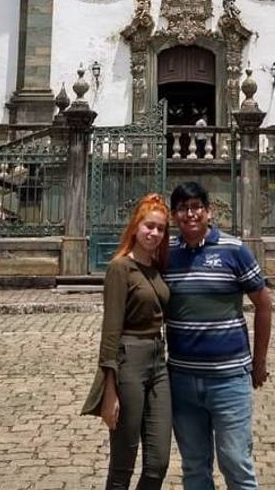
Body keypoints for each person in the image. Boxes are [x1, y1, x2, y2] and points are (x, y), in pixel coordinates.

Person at [165, 181, 273, 490]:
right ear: (175, 216)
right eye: (183, 208)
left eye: (197, 206)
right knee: (194, 468)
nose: (191, 214)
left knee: (236, 462)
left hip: (229, 380)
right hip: (183, 380)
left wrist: (259, 362)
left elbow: (264, 305)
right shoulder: (166, 254)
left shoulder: (234, 250)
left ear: (209, 211)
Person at [82, 194, 172, 490]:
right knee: (123, 463)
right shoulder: (120, 268)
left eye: (160, 229)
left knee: (158, 462)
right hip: (128, 361)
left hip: (159, 362)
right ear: (135, 226)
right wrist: (110, 390)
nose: (154, 233)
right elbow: (111, 331)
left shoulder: (158, 267)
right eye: (149, 226)